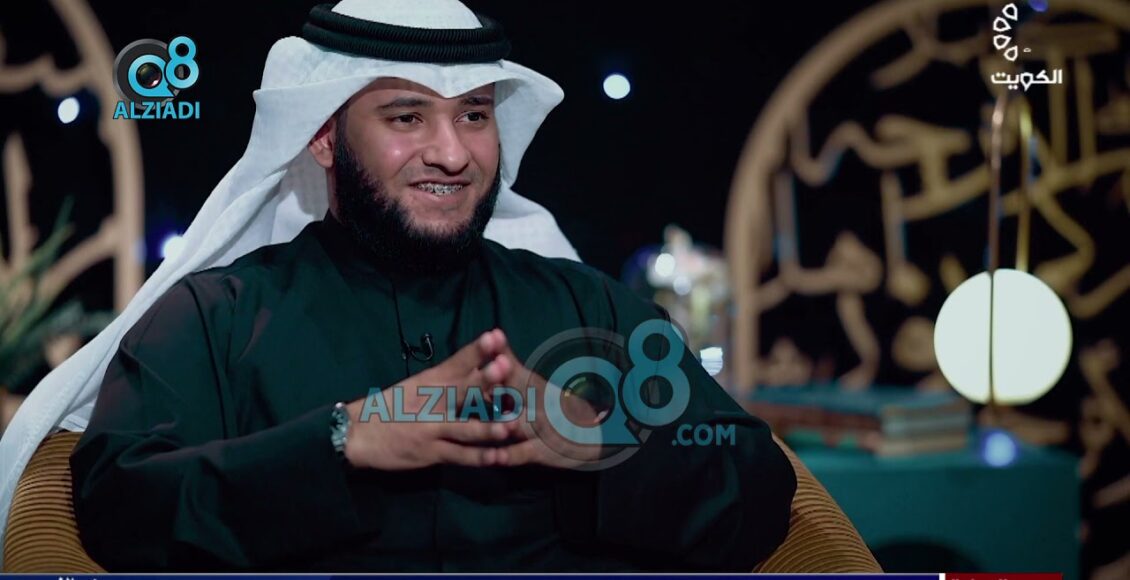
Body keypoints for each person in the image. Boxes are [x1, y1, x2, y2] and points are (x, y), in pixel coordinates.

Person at [4, 0, 796, 572]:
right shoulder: (217, 319)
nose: (452, 152)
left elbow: (759, 488)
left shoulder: (588, 309)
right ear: (323, 137)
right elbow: (119, 509)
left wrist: (597, 442)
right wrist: (343, 442)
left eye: (474, 115)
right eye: (407, 117)